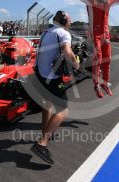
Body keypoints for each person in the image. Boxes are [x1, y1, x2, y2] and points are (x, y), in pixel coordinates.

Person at [30, 11, 79, 164]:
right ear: (64, 21)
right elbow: (67, 51)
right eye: (69, 21)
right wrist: (76, 64)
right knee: (63, 110)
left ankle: (45, 131)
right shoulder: (63, 33)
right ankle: (42, 143)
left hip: (40, 75)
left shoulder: (46, 32)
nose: (70, 23)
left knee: (48, 104)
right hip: (52, 77)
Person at [78, 0, 119, 98]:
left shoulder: (109, 0)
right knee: (98, 59)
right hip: (95, 33)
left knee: (108, 59)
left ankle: (105, 83)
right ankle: (96, 85)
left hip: (105, 34)